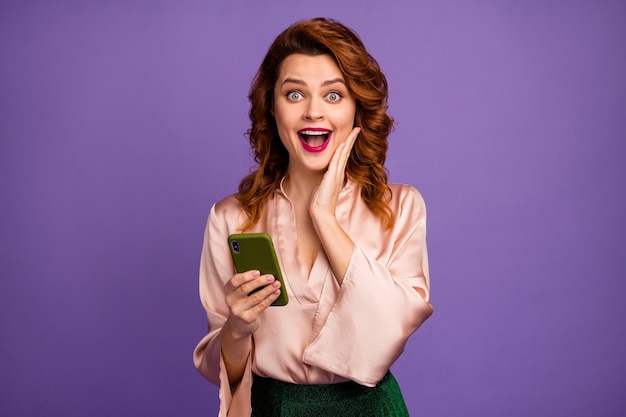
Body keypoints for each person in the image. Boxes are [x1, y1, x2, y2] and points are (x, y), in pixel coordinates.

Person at [193, 17, 433, 417]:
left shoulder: (401, 208)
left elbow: (388, 331)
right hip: (273, 408)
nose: (313, 112)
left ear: (357, 107)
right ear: (272, 108)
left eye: (334, 95)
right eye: (294, 95)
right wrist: (236, 327)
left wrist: (324, 216)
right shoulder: (230, 218)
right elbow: (226, 372)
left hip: (369, 408)